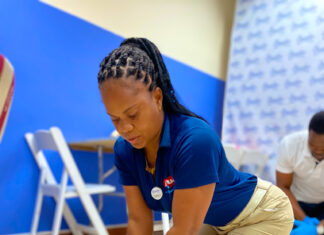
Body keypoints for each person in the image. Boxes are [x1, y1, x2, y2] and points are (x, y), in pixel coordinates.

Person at [97, 37, 294, 235]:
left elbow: (184, 230)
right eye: (114, 118)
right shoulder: (125, 150)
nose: (125, 128)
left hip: (262, 214)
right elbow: (138, 221)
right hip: (213, 221)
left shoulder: (195, 141)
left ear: (157, 97)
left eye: (133, 114)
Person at [276, 111, 324, 234]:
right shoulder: (290, 145)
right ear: (308, 134)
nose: (318, 151)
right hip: (296, 203)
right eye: (313, 145)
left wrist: (320, 228)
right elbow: (283, 186)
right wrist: (304, 220)